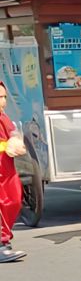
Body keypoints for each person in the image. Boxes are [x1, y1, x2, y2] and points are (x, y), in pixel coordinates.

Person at [0, 79, 27, 263]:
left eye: (4, 97)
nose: (2, 101)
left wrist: (16, 141)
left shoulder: (3, 116)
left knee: (14, 200)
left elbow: (13, 132)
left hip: (6, 166)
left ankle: (4, 239)